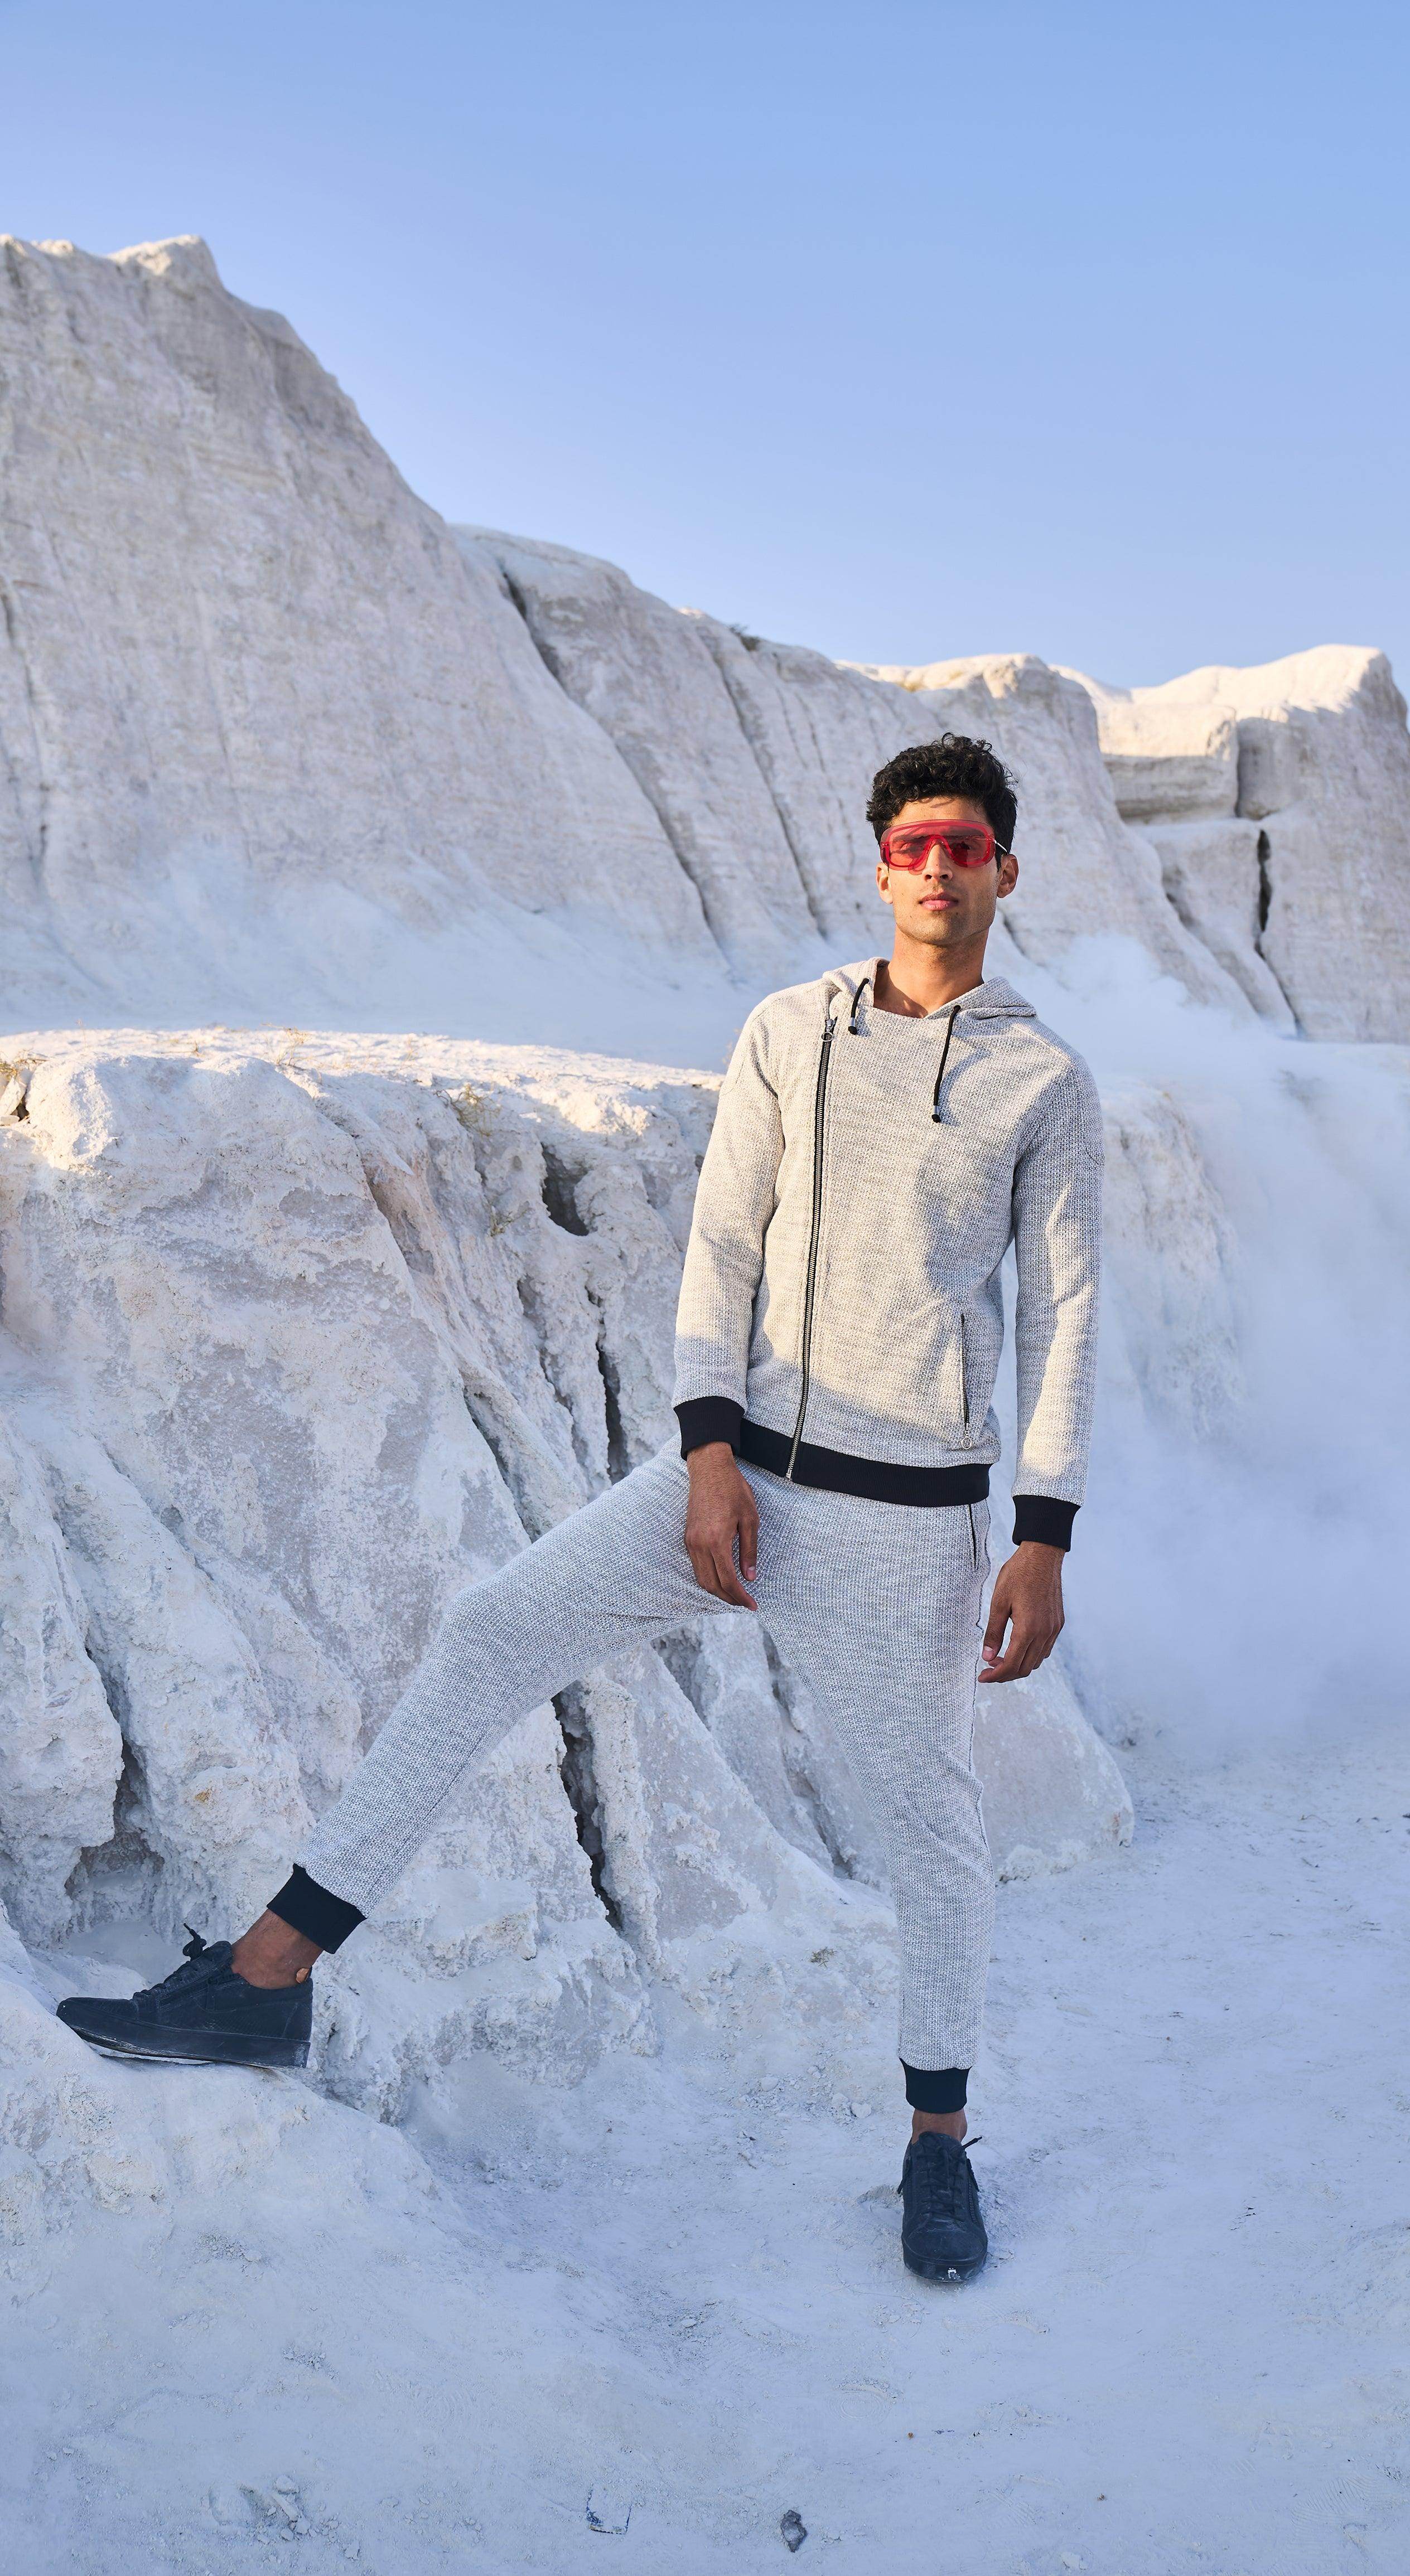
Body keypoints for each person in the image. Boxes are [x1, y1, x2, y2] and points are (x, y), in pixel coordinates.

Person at [59, 732, 1104, 2284]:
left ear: (1005, 870)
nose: (938, 869)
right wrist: (705, 1457)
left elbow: (1069, 1318)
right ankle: (270, 1977)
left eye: (966, 846)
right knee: (494, 1628)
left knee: (935, 1835)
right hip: (744, 1479)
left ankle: (937, 2143)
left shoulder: (1043, 1080)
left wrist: (1043, 1531)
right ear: (879, 865)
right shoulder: (788, 1032)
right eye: (914, 845)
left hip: (910, 1520)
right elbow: (723, 1246)